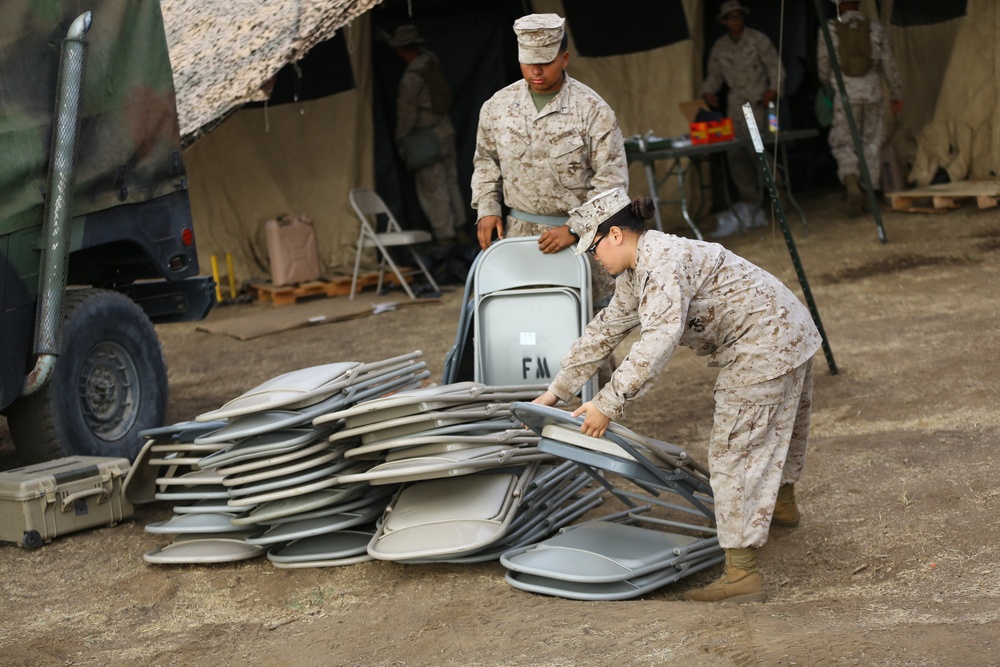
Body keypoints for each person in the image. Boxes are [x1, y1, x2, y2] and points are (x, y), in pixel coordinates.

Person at [533, 187, 821, 604]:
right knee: (777, 429)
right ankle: (781, 505)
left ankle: (742, 574)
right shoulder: (638, 267)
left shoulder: (662, 265)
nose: (593, 256)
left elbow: (657, 343)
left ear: (615, 235)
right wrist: (554, 393)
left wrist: (607, 404)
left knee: (735, 448)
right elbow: (605, 330)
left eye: (593, 246)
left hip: (763, 343)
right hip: (786, 330)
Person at [471, 13, 628, 307]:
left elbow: (612, 182)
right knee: (525, 331)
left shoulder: (591, 109)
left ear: (564, 58)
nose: (536, 71)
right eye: (528, 62)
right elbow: (486, 162)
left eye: (545, 61)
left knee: (586, 339)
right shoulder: (498, 107)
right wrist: (487, 207)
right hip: (519, 240)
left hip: (582, 243)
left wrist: (574, 229)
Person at [701, 1, 784, 238]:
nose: (735, 21)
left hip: (759, 105)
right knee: (736, 156)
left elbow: (776, 68)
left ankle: (778, 195)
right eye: (730, 18)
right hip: (734, 108)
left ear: (743, 18)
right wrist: (708, 91)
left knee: (760, 153)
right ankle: (751, 204)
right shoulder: (721, 47)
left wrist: (773, 90)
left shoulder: (758, 40)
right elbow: (714, 75)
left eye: (738, 16)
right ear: (724, 22)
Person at [818, 0, 902, 215]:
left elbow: (823, 64)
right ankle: (867, 190)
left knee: (843, 140)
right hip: (872, 92)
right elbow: (889, 65)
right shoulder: (875, 28)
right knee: (872, 141)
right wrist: (896, 94)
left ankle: (851, 179)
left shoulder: (829, 29)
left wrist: (828, 84)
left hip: (844, 94)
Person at [390, 25, 467, 246]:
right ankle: (460, 227)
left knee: (433, 189)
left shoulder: (411, 78)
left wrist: (400, 138)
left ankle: (446, 235)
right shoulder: (430, 60)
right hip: (445, 131)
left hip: (426, 139)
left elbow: (406, 115)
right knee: (451, 182)